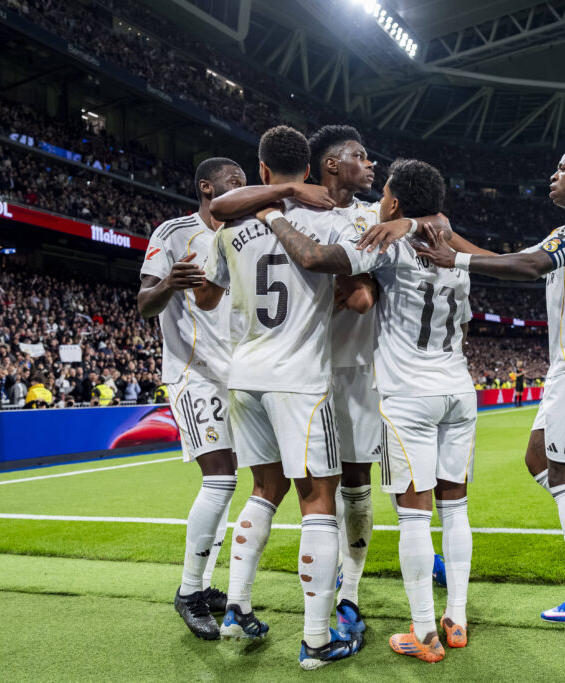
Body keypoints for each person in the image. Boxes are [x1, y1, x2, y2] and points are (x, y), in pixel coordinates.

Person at [209, 125, 452, 636]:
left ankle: (349, 593)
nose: (371, 166)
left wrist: (408, 230)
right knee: (317, 490)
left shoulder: (374, 215)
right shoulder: (303, 214)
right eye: (360, 157)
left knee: (355, 484)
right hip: (307, 369)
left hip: (353, 366)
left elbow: (415, 237)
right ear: (330, 166)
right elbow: (353, 286)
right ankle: (317, 622)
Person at [257, 158, 475, 662]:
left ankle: (424, 634)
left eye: (385, 198)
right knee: (456, 507)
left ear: (393, 203)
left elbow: (320, 261)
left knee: (415, 517)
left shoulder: (387, 244)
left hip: (409, 394)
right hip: (459, 389)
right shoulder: (457, 257)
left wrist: (275, 217)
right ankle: (457, 617)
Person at [414, 137, 565, 622]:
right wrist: (450, 241)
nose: (553, 175)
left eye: (563, 167)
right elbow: (508, 258)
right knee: (538, 458)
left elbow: (530, 264)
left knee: (564, 476)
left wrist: (456, 261)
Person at [195, 125, 365, 669]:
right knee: (319, 499)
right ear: (310, 172)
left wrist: (270, 202)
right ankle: (318, 639)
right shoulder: (332, 220)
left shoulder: (232, 225)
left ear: (263, 171)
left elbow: (207, 291)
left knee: (264, 490)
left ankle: (236, 610)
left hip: (244, 376)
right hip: (299, 378)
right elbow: (353, 292)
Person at [138, 157, 247, 640]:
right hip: (193, 373)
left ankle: (202, 584)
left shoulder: (244, 238)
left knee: (229, 485)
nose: (242, 187)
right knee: (221, 478)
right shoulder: (174, 232)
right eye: (233, 181)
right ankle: (187, 591)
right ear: (207, 186)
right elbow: (144, 304)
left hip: (238, 376)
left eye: (245, 181)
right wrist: (168, 283)